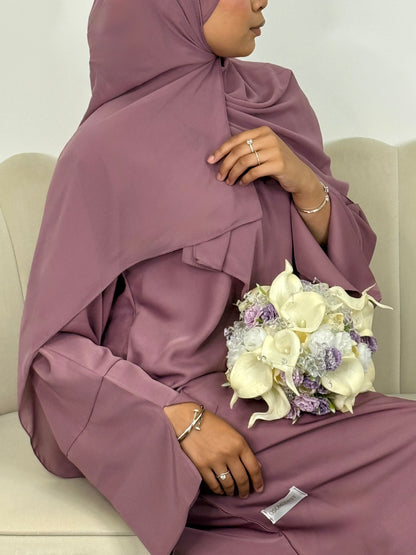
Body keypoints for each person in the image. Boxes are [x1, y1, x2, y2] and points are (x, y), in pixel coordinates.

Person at [17, 1, 416, 554]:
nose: (261, 1)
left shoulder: (274, 104)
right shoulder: (101, 153)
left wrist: (304, 183)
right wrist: (176, 420)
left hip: (290, 402)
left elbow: (347, 279)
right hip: (186, 429)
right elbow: (54, 350)